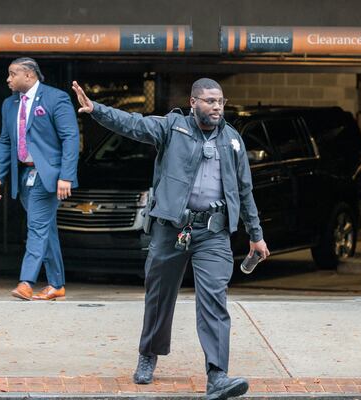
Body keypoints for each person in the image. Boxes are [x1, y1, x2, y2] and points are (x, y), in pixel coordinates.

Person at [72, 78, 270, 400]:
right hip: (171, 228)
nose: (216, 106)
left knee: (214, 300)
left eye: (220, 101)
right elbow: (133, 124)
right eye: (208, 101)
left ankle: (217, 375)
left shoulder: (233, 141)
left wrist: (256, 236)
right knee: (159, 296)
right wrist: (96, 110)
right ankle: (148, 353)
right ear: (193, 103)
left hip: (214, 232)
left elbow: (244, 190)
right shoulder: (172, 128)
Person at [0, 57, 79, 301]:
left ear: (29, 75)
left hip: (48, 175)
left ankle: (26, 282)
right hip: (24, 175)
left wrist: (66, 176)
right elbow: (5, 140)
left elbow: (71, 137)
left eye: (12, 74)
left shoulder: (55, 98)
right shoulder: (9, 104)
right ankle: (56, 284)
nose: (8, 79)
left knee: (36, 227)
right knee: (45, 228)